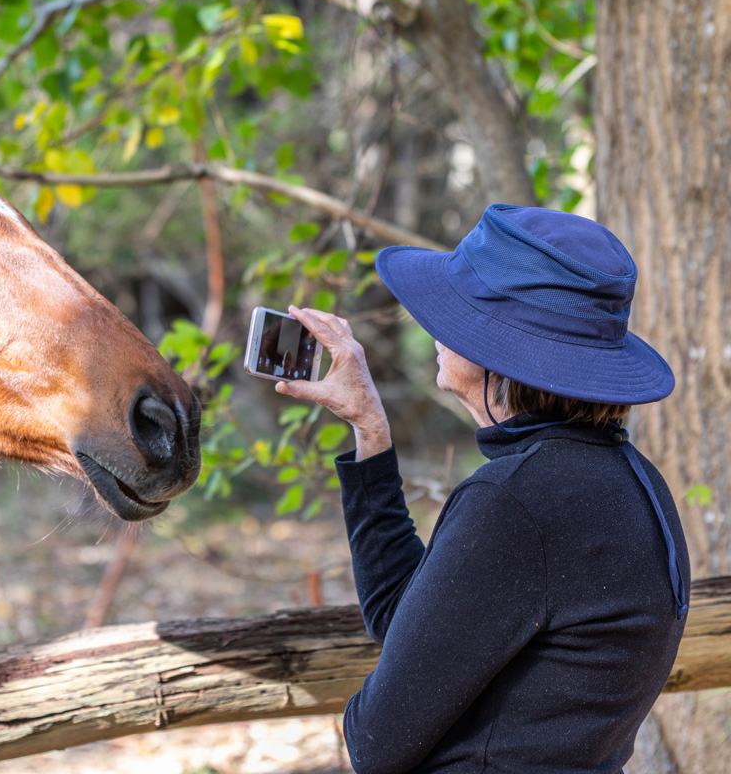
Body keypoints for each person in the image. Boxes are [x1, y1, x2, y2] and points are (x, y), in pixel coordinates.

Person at [275, 204, 689, 773]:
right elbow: (405, 620)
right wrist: (369, 429)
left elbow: (376, 743)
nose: (435, 327)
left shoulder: (517, 501)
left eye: (460, 317)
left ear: (506, 356)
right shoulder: (630, 479)